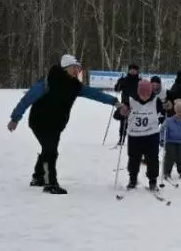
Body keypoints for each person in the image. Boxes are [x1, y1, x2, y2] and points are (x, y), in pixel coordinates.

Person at [8, 54, 126, 194]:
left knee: (49, 149)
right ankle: (50, 183)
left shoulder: (75, 86)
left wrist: (115, 102)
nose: (77, 70)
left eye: (78, 68)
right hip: (40, 121)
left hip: (56, 124)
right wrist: (15, 118)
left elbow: (95, 94)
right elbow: (27, 99)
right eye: (74, 68)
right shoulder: (48, 82)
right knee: (50, 150)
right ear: (65, 68)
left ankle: (38, 177)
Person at [115, 78, 164, 190]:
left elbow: (166, 112)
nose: (145, 96)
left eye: (148, 94)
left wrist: (168, 108)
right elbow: (117, 115)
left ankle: (153, 181)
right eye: (142, 94)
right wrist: (122, 112)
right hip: (135, 136)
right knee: (134, 159)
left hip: (152, 135)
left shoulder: (156, 100)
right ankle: (133, 179)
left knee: (152, 159)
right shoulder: (130, 99)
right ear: (138, 92)